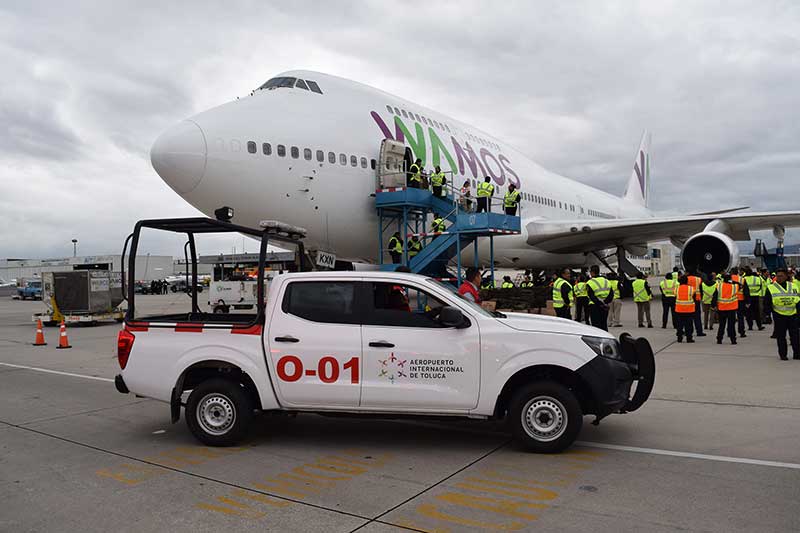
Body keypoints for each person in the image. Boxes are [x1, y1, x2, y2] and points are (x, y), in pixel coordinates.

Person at [765, 268, 799, 360]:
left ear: (786, 276)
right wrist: (767, 315)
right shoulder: (771, 287)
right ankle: (783, 354)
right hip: (779, 315)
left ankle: (797, 353)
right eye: (778, 276)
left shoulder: (793, 286)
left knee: (795, 336)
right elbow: (767, 303)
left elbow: (798, 301)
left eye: (781, 276)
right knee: (781, 336)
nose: (779, 278)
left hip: (793, 314)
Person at [712, 273, 738, 344]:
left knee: (722, 325)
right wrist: (732, 282)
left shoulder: (719, 286)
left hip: (722, 308)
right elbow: (741, 285)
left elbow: (715, 296)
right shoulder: (734, 287)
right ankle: (733, 340)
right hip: (732, 308)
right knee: (731, 325)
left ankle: (719, 339)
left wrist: (713, 305)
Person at [586, 265, 613, 331]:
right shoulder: (607, 281)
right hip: (605, 306)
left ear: (592, 272)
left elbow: (591, 296)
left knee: (596, 327)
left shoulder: (590, 282)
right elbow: (611, 294)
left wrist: (600, 303)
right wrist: (605, 302)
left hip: (594, 306)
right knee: (604, 324)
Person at [674, 275, 696, 343]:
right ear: (687, 281)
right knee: (689, 325)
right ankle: (689, 338)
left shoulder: (676, 289)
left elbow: (675, 296)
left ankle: (679, 338)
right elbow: (694, 297)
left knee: (679, 325)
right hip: (689, 310)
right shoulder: (691, 289)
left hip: (679, 309)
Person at [686, 270, 706, 336]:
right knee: (697, 317)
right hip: (696, 299)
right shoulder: (698, 279)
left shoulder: (685, 279)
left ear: (688, 273)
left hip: (688, 300)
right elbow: (701, 289)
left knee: (688, 317)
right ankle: (699, 331)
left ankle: (688, 332)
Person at [730, 267, 747, 337]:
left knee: (731, 318)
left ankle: (730, 332)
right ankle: (741, 332)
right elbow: (746, 291)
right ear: (737, 272)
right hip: (740, 300)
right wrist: (747, 301)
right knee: (740, 317)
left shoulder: (728, 279)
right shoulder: (742, 279)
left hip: (731, 300)